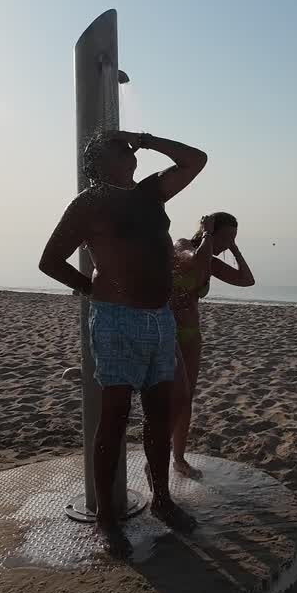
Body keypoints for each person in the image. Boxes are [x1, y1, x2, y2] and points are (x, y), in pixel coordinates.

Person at [39, 130, 206, 554]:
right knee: (113, 417)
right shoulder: (89, 204)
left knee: (158, 412)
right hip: (115, 321)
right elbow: (50, 260)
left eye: (131, 149)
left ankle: (162, 500)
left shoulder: (150, 193)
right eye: (122, 149)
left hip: (160, 319)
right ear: (101, 161)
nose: (130, 154)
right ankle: (106, 519)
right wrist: (93, 289)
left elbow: (195, 159)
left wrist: (144, 138)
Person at [168, 212, 255, 477]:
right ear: (209, 232)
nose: (228, 243)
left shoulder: (212, 262)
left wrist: (235, 249)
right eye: (226, 237)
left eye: (234, 238)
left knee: (186, 399)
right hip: (168, 332)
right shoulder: (183, 246)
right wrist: (206, 234)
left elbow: (246, 279)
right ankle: (159, 454)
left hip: (192, 334)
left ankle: (178, 458)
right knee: (172, 396)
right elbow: (194, 262)